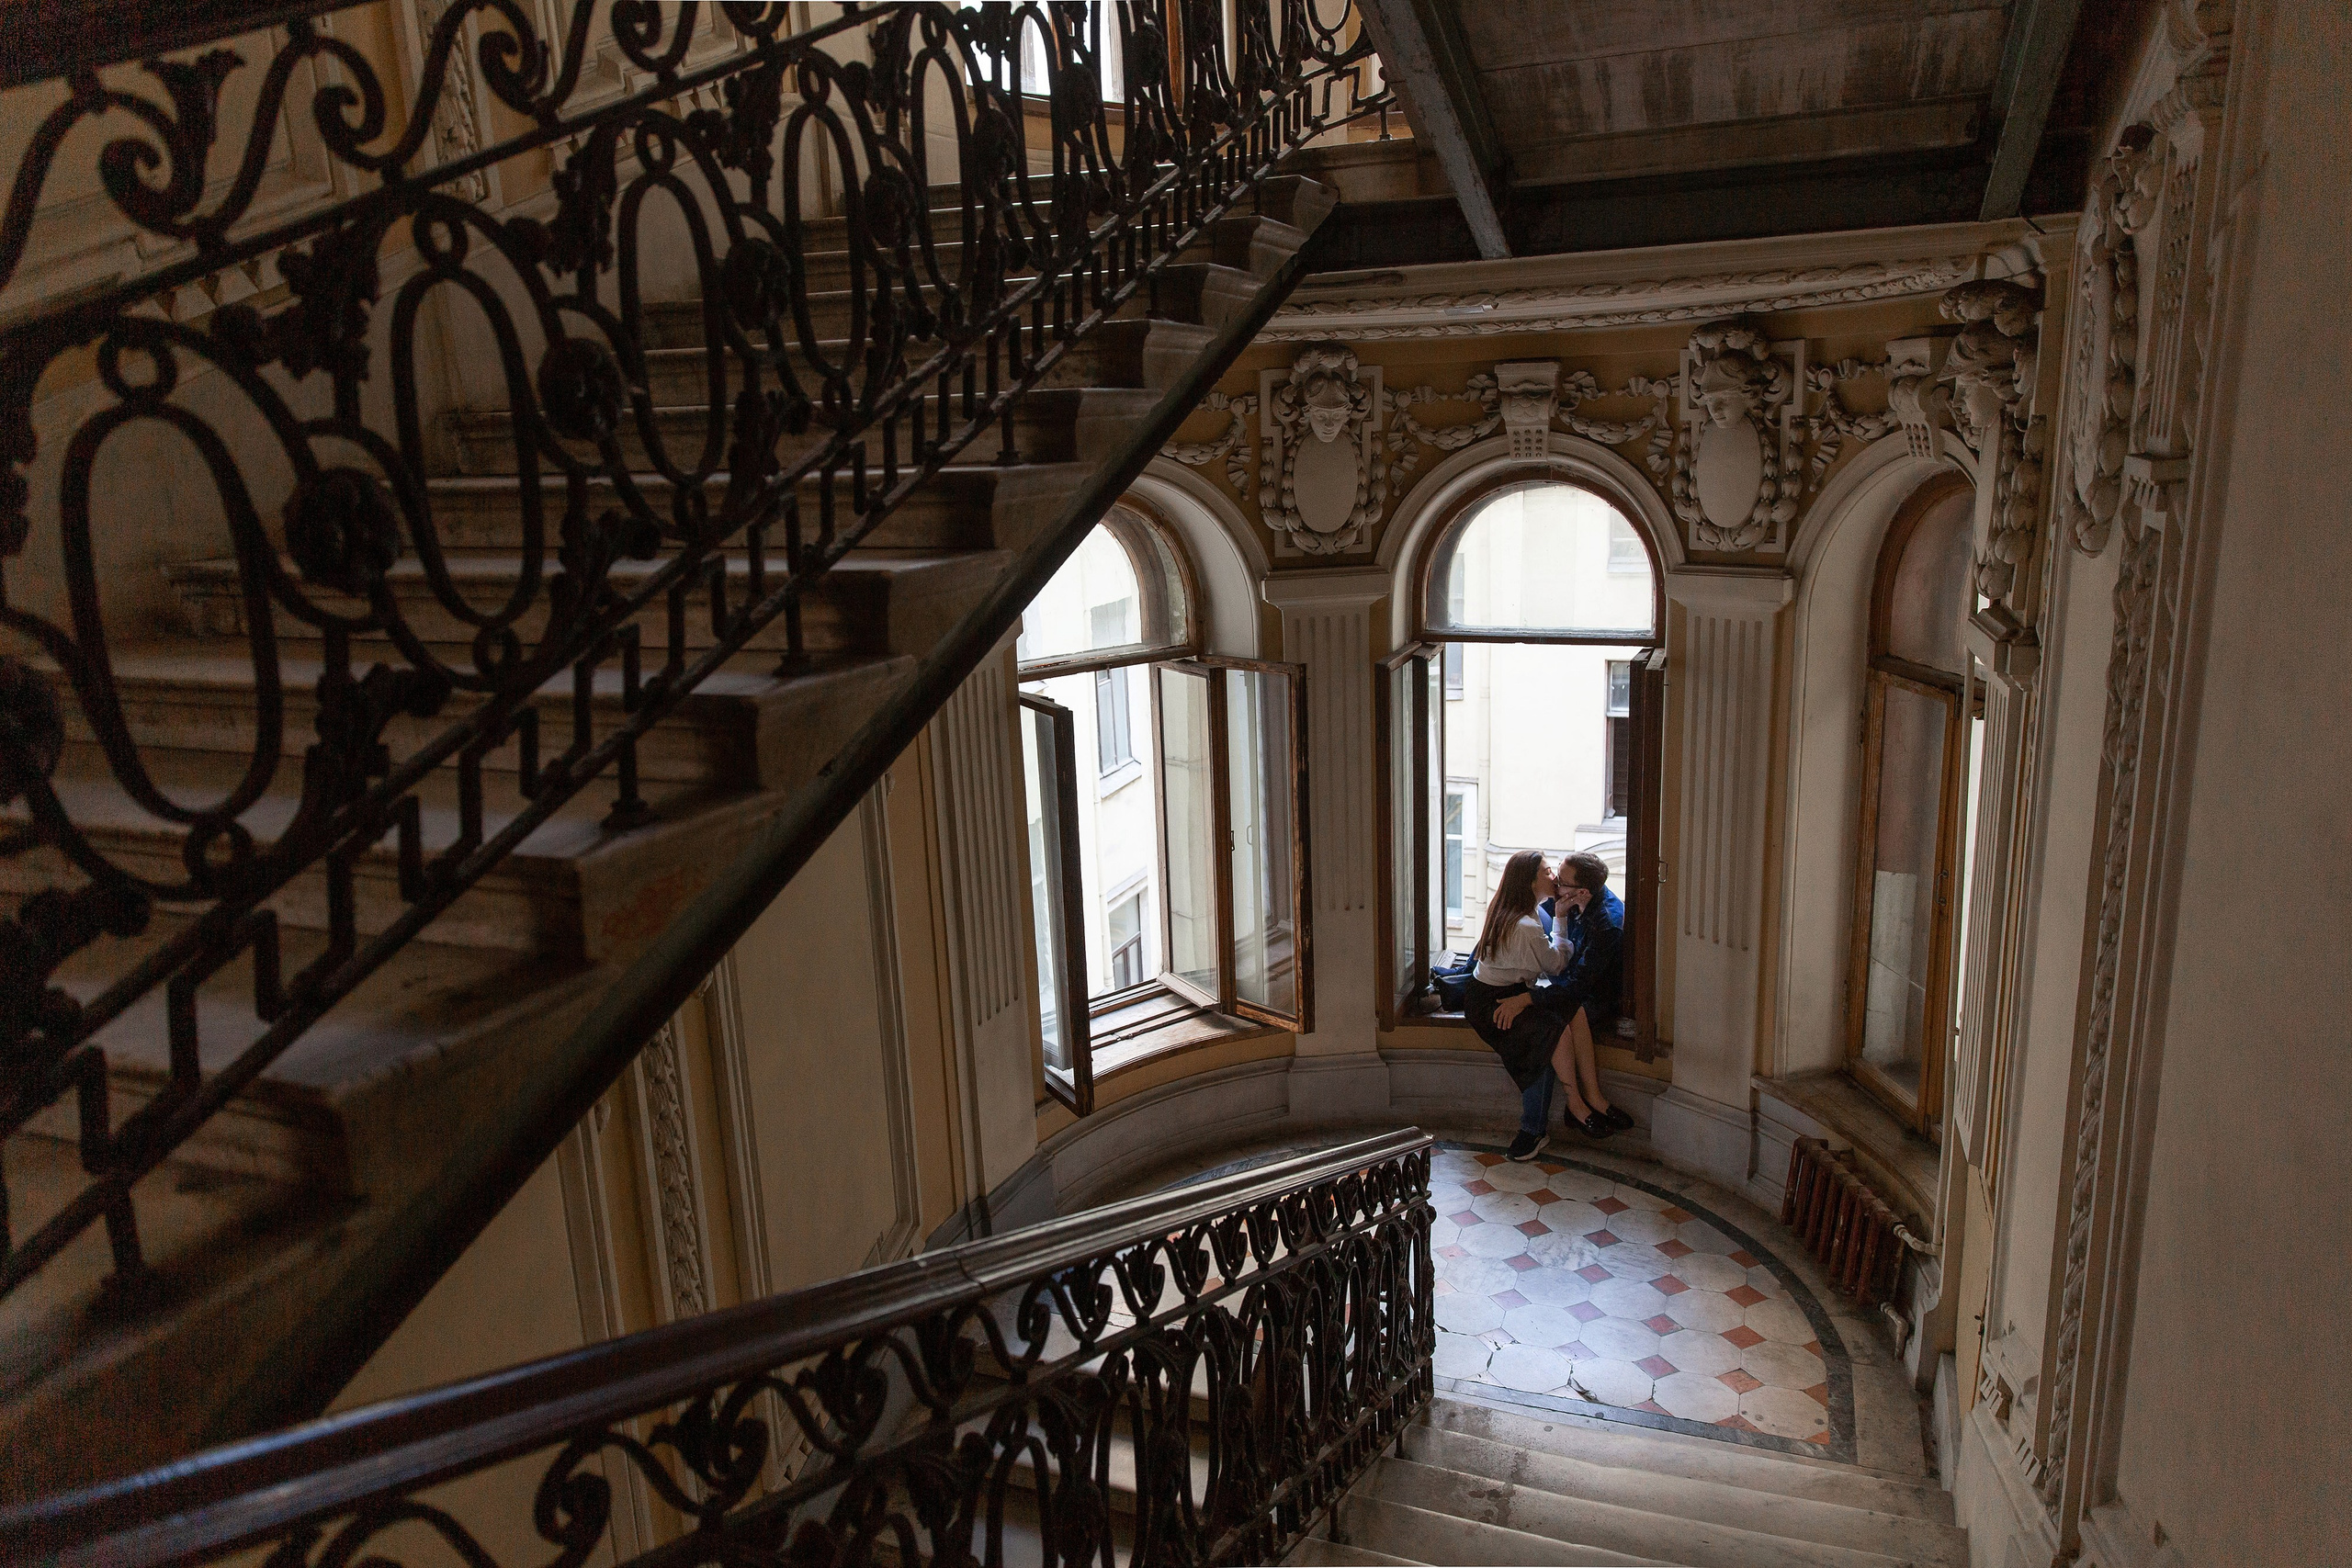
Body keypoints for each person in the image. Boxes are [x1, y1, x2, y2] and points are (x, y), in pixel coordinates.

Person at [1496, 852, 1632, 1136]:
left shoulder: (1606, 923)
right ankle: (1589, 1100)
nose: (1556, 883)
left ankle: (1576, 1106)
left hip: (1594, 997)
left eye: (1562, 880)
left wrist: (1526, 998)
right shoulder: (1572, 902)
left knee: (1553, 1025)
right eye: (1554, 874)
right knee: (1518, 920)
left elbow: (1578, 987)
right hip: (1568, 981)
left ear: (1582, 891)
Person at [1464, 849, 1573, 1161]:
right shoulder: (1527, 924)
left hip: (1488, 993)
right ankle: (1534, 1129)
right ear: (1529, 881)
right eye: (1548, 871)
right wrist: (1562, 920)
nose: (1554, 877)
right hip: (1494, 1002)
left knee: (1549, 1034)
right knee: (1542, 1044)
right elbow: (1556, 965)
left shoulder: (1511, 908)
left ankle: (1549, 1119)